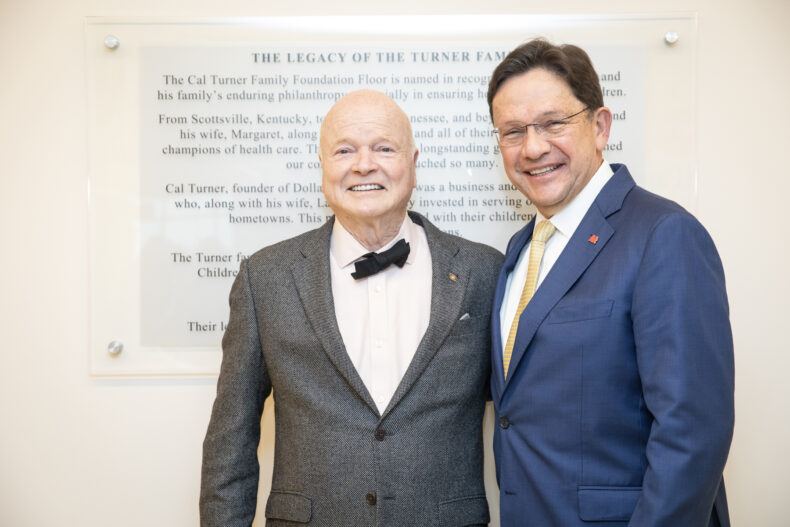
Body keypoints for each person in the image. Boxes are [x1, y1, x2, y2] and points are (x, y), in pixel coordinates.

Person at [200, 89, 503, 526]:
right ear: (323, 166)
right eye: (344, 151)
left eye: (384, 148)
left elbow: (522, 418)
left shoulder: (485, 271)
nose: (364, 164)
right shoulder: (264, 278)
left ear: (413, 164)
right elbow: (231, 438)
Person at [487, 39, 734, 526]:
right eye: (513, 131)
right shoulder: (519, 250)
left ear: (600, 127)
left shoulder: (664, 235)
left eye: (553, 123)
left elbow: (691, 434)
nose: (532, 147)